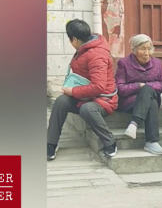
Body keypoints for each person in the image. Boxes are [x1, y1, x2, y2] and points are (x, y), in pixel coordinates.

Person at [47, 19, 118, 160]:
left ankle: (110, 142)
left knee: (87, 109)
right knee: (61, 101)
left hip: (104, 99)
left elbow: (99, 87)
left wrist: (72, 92)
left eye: (69, 39)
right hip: (85, 96)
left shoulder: (96, 54)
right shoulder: (84, 48)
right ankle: (51, 143)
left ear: (74, 39)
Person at [115, 34, 162, 155]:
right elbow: (120, 88)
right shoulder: (123, 63)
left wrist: (146, 87)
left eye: (149, 48)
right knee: (152, 102)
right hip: (130, 101)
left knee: (148, 91)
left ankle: (134, 123)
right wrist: (138, 86)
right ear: (134, 50)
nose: (146, 52)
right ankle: (152, 142)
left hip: (150, 96)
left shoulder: (158, 63)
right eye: (142, 49)